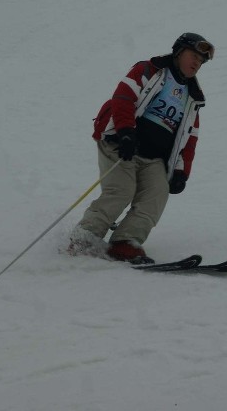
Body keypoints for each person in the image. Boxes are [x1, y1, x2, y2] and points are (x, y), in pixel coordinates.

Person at [67, 33, 214, 264]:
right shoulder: (151, 70)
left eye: (201, 61)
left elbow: (189, 138)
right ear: (178, 52)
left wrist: (180, 172)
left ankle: (125, 242)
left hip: (153, 157)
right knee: (121, 190)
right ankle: (85, 236)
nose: (196, 63)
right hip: (121, 143)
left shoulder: (193, 98)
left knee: (157, 194)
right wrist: (125, 132)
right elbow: (123, 97)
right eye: (193, 56)